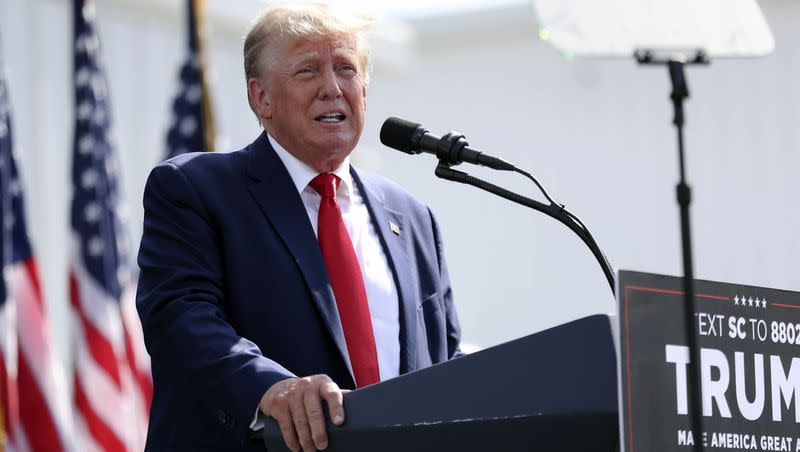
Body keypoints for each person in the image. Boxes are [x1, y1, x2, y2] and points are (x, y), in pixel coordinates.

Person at [136, 4, 461, 451]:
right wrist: (269, 388)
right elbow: (179, 321)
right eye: (307, 71)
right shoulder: (195, 190)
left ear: (364, 89)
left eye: (346, 69)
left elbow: (445, 361)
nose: (332, 88)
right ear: (261, 98)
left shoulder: (412, 216)